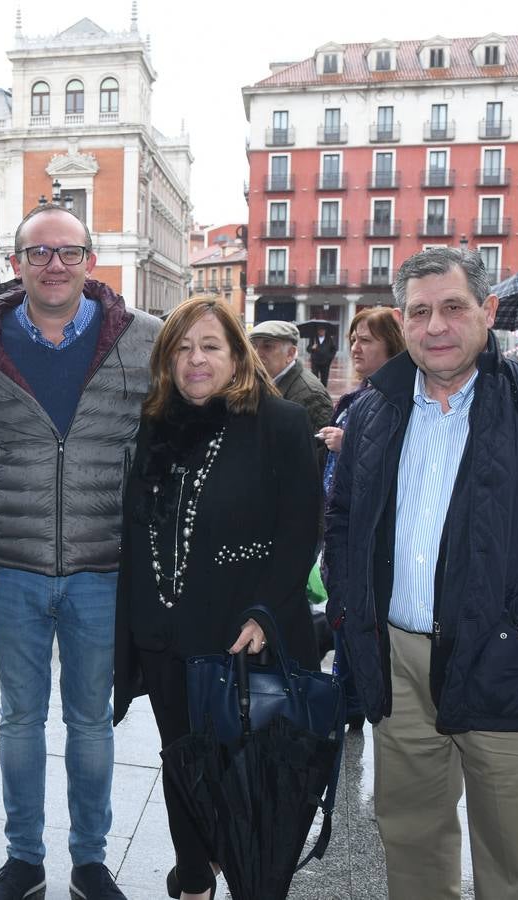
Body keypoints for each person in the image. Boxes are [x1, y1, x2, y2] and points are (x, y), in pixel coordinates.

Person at [324, 248, 518, 900]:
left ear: (486, 312)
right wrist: (352, 615)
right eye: (418, 311)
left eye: (451, 307)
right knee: (408, 841)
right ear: (401, 320)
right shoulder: (373, 411)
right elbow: (345, 523)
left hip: (509, 663)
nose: (434, 325)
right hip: (397, 664)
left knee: (510, 861)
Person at [0, 204, 160, 900]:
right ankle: (23, 858)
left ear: (90, 262)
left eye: (68, 253)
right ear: (15, 265)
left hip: (103, 566)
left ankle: (89, 860)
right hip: (10, 564)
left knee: (90, 721)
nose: (53, 265)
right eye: (38, 253)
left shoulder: (144, 341)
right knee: (17, 718)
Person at [114, 298, 321, 900]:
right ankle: (195, 880)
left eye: (209, 346)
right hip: (165, 633)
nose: (195, 360)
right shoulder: (156, 423)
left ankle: (254, 880)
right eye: (181, 348)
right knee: (182, 763)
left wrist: (266, 608)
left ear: (237, 355)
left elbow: (300, 530)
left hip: (242, 631)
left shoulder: (279, 423)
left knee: (248, 770)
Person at [316, 306, 406, 732]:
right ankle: (344, 694)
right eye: (353, 338)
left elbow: (395, 465)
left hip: (364, 536)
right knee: (341, 613)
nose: (355, 346)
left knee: (354, 616)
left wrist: (345, 445)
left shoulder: (395, 399)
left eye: (366, 339)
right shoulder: (358, 396)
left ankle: (350, 699)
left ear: (391, 344)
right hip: (339, 527)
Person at [248, 320, 333, 466]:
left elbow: (319, 459)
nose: (256, 354)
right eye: (254, 346)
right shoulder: (264, 380)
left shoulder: (310, 395)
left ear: (290, 353)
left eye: (267, 346)